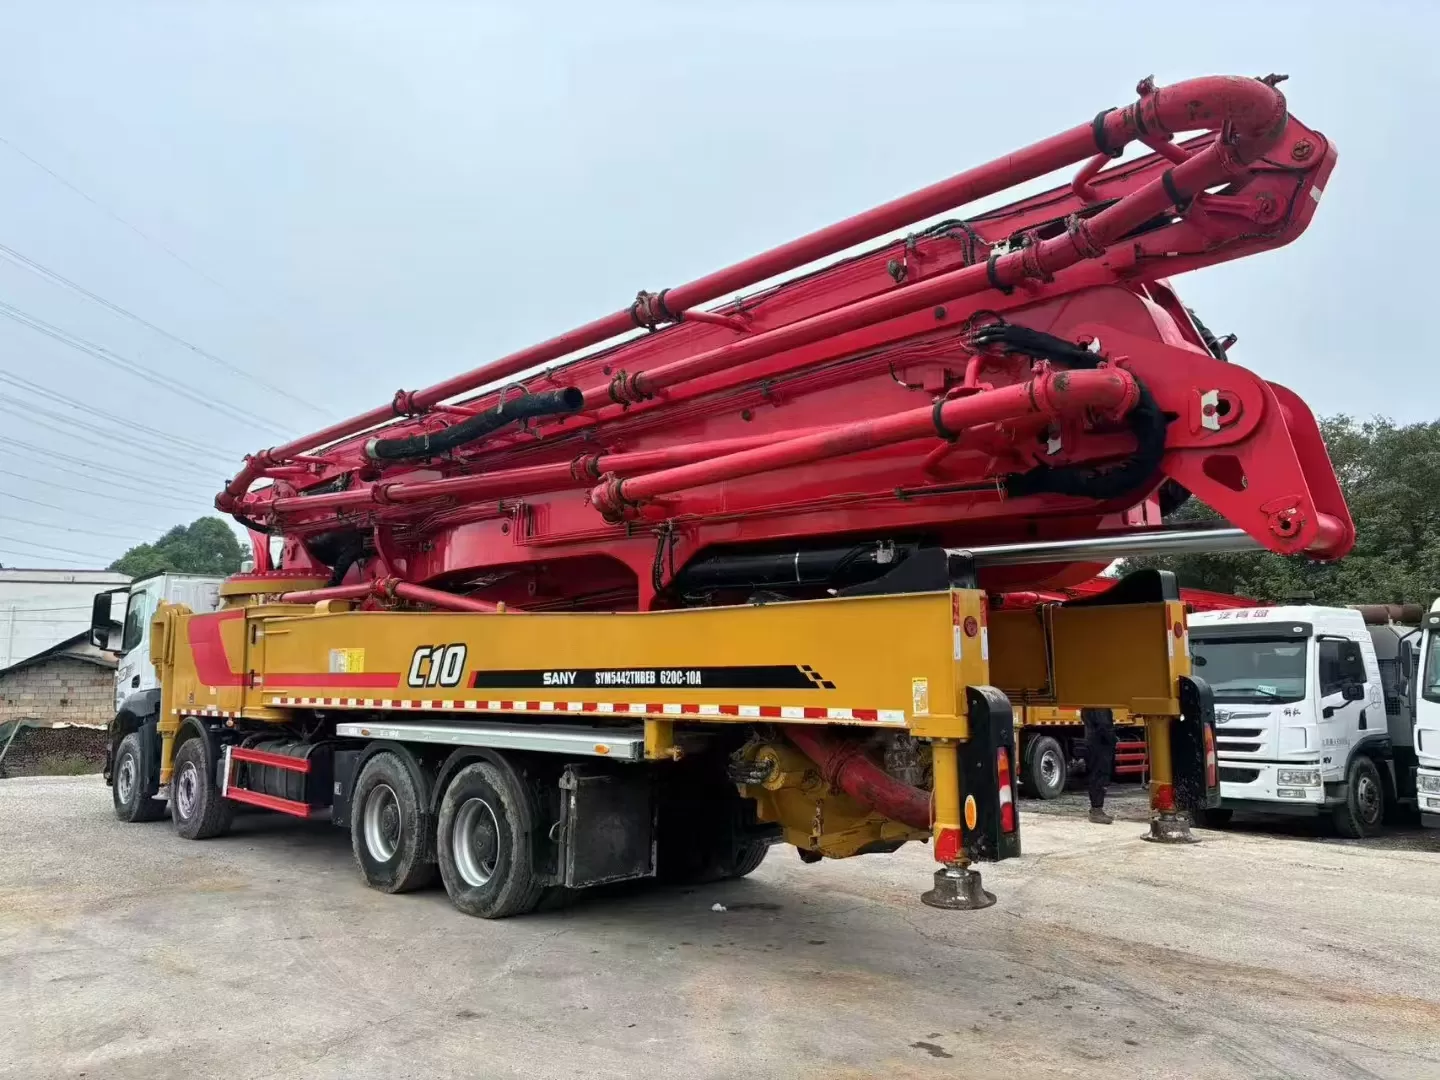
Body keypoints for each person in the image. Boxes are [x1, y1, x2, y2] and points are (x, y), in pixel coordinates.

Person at [1082, 707, 1116, 824]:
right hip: (1101, 744)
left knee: (1095, 773)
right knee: (1100, 774)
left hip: (1093, 741)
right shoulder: (1100, 705)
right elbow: (1104, 725)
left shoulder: (1087, 706)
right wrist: (1113, 739)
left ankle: (1096, 809)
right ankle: (1097, 810)